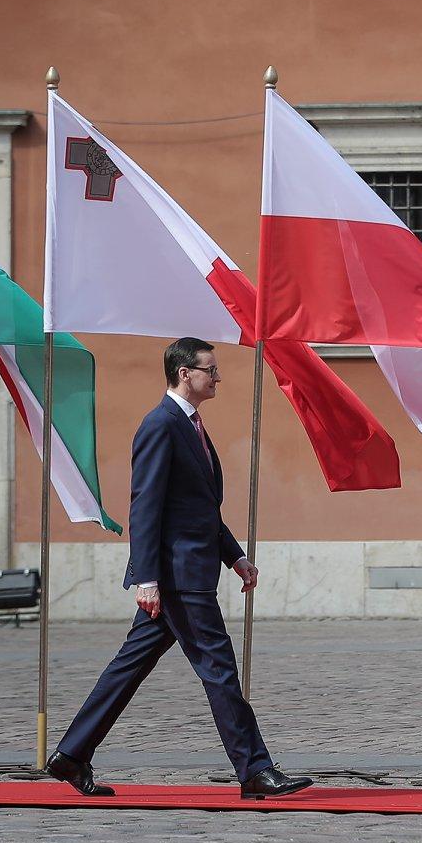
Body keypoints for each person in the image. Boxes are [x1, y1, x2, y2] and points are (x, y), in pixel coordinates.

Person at [45, 337, 312, 799]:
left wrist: (235, 555)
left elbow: (198, 506)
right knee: (220, 670)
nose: (218, 377)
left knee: (129, 667)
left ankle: (71, 755)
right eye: (211, 369)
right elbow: (145, 505)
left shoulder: (190, 425)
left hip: (187, 570)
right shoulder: (160, 424)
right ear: (184, 373)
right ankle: (254, 770)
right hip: (177, 577)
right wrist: (146, 578)